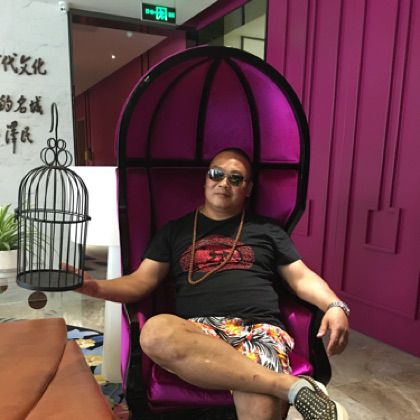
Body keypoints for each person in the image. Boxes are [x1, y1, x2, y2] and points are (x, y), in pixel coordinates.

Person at [76, 148, 350, 420]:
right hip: (198, 331)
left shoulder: (268, 230)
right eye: (217, 174)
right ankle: (291, 387)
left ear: (248, 189)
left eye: (235, 178)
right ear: (206, 179)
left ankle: (283, 387)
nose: (224, 182)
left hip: (257, 329)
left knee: (259, 397)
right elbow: (140, 281)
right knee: (155, 332)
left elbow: (300, 277)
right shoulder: (175, 231)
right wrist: (94, 287)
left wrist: (334, 305)